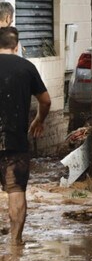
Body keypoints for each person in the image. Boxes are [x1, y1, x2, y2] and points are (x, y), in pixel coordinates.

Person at [0, 26, 50, 246]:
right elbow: (46, 100)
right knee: (16, 189)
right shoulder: (27, 68)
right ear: (17, 45)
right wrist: (38, 120)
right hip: (15, 142)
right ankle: (15, 243)